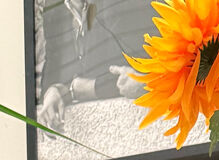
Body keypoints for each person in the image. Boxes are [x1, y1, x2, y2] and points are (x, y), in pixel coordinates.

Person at [35, 0, 146, 128]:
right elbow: (54, 76)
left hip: (130, 121)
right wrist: (53, 91)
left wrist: (78, 89)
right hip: (94, 126)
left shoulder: (121, 6)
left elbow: (131, 77)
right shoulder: (55, 10)